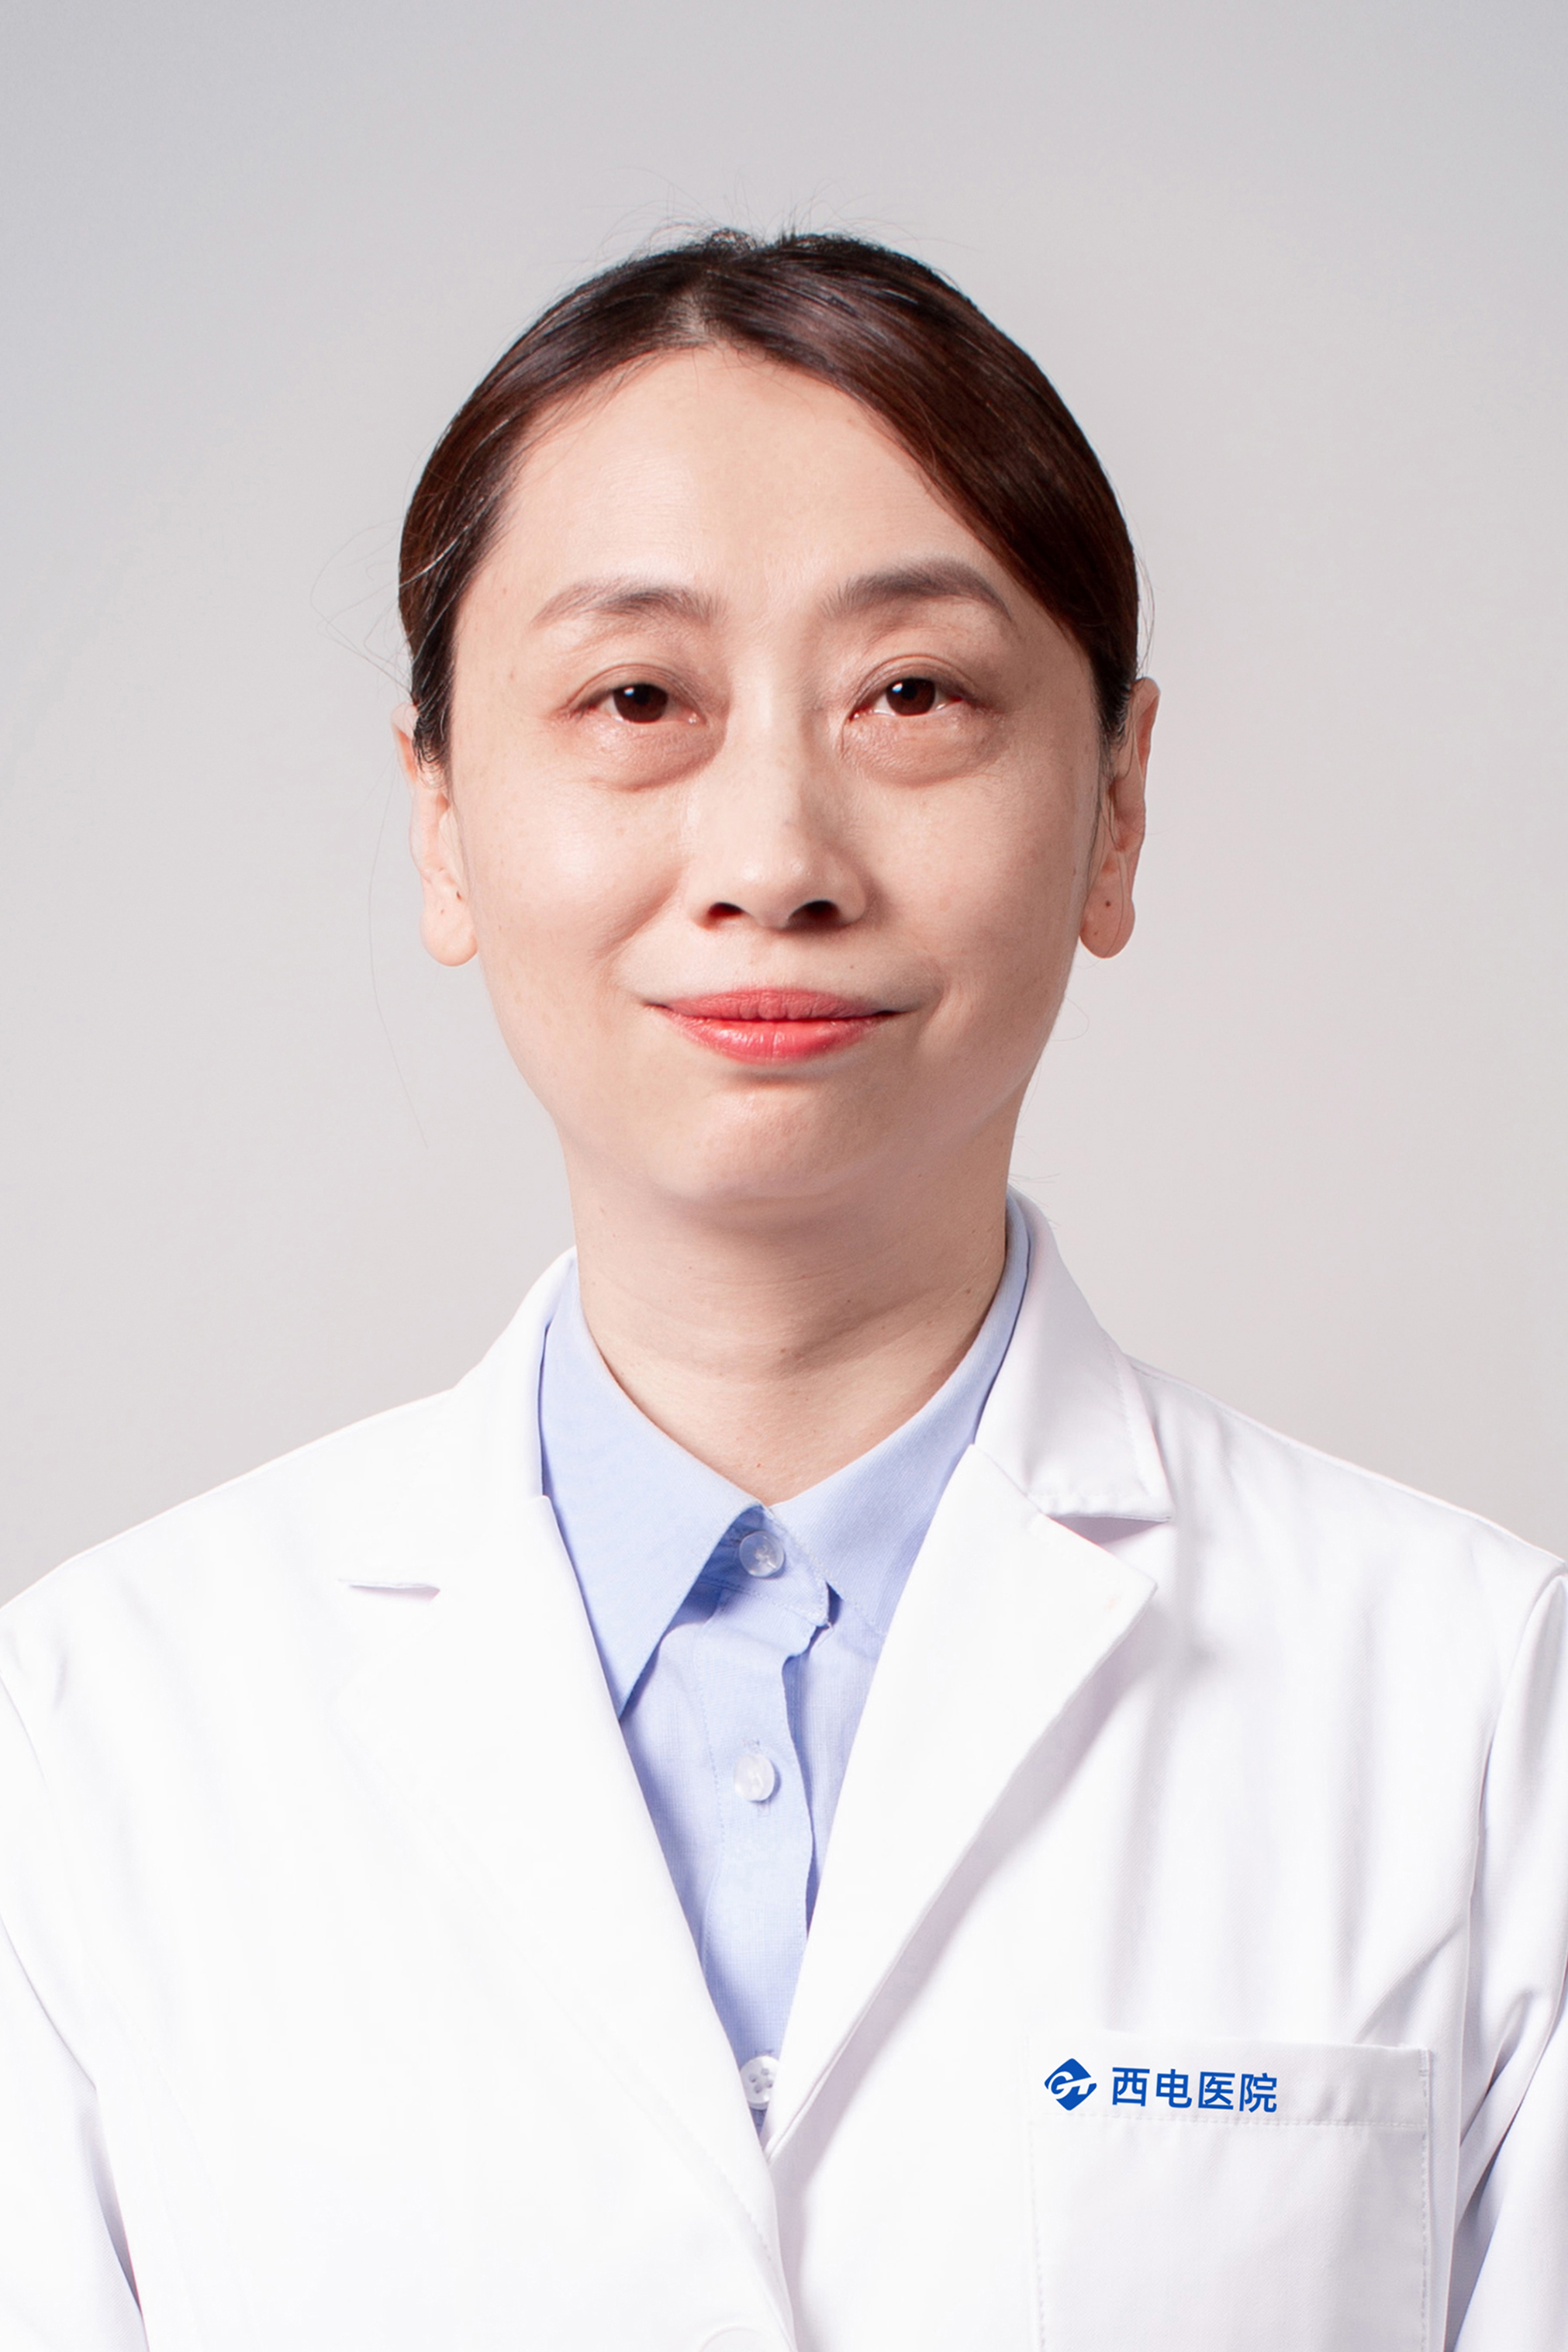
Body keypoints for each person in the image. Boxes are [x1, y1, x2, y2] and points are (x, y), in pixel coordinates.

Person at [0, 231, 1563, 2352]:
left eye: (911, 695)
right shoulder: (92, 1745)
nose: (773, 856)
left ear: (1116, 807)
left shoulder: (1486, 1714)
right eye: (637, 700)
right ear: (442, 817)